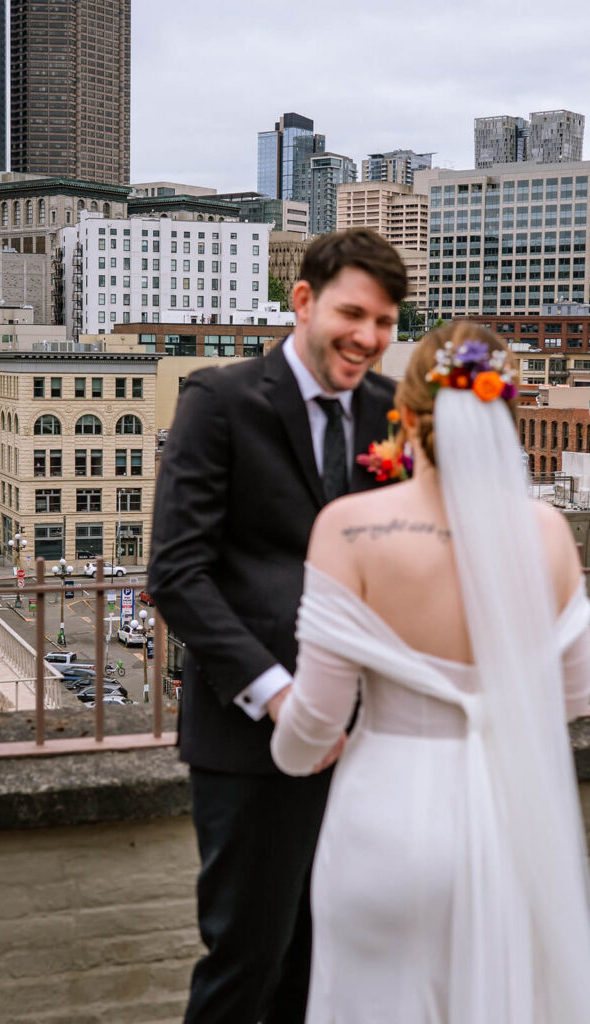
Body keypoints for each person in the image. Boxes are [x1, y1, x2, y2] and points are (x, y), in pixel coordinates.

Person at [271, 322, 590, 1023]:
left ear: (406, 416)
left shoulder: (349, 526)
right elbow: (571, 695)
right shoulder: (547, 534)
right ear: (503, 413)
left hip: (386, 819)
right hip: (510, 826)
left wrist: (289, 744)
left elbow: (316, 723)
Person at [148, 227, 408, 1024]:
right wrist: (279, 696)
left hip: (364, 743)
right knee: (247, 957)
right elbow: (177, 573)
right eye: (353, 313)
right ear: (303, 300)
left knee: (324, 959)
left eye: (387, 322)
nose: (369, 337)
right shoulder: (218, 401)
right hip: (250, 741)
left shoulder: (388, 411)